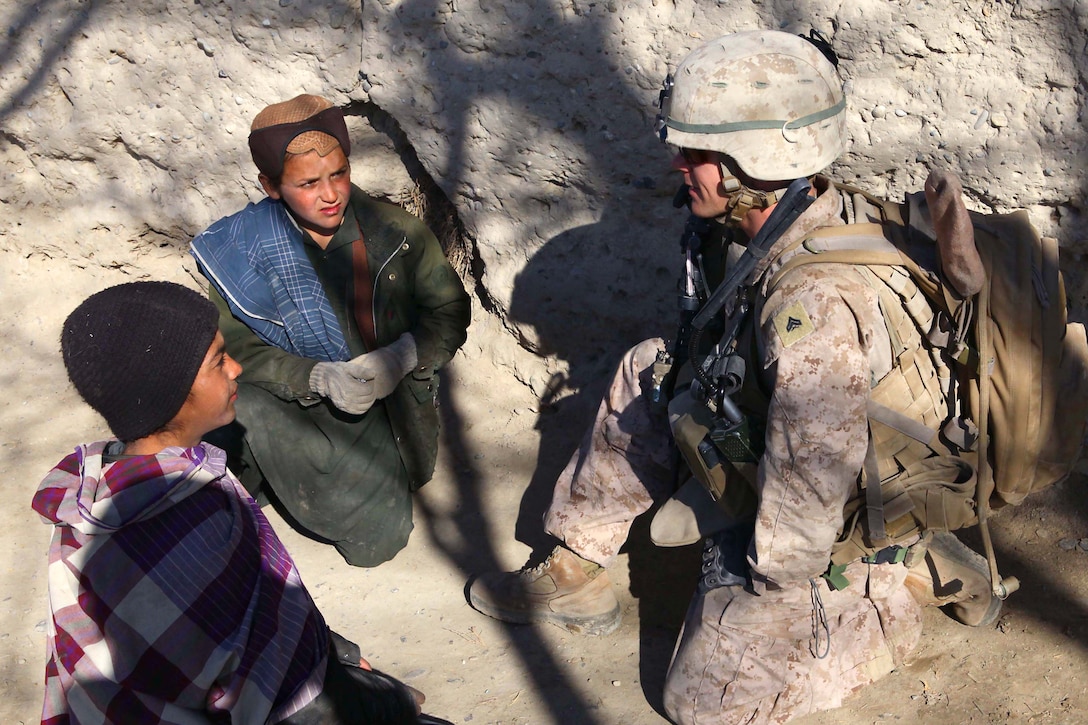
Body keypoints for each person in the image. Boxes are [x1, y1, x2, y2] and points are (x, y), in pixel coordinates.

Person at [467, 30, 998, 723]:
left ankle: (902, 581)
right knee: (647, 370)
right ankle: (577, 569)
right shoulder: (773, 219)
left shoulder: (816, 308)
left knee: (705, 702)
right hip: (774, 445)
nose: (680, 165)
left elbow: (808, 492)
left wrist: (756, 579)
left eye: (699, 153)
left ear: (756, 160)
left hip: (830, 512)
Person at [34, 280, 452, 724]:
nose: (235, 368)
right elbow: (277, 695)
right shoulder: (191, 524)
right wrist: (372, 700)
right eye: (218, 361)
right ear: (168, 390)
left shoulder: (95, 490)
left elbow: (256, 622)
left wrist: (331, 651)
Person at [190, 94, 471, 567]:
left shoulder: (393, 232)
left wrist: (400, 357)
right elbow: (236, 349)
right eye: (307, 183)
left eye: (338, 174)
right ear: (271, 185)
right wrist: (317, 378)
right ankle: (241, 490)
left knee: (375, 546)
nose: (331, 194)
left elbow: (449, 311)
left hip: (384, 409)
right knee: (212, 398)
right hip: (293, 400)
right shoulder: (240, 249)